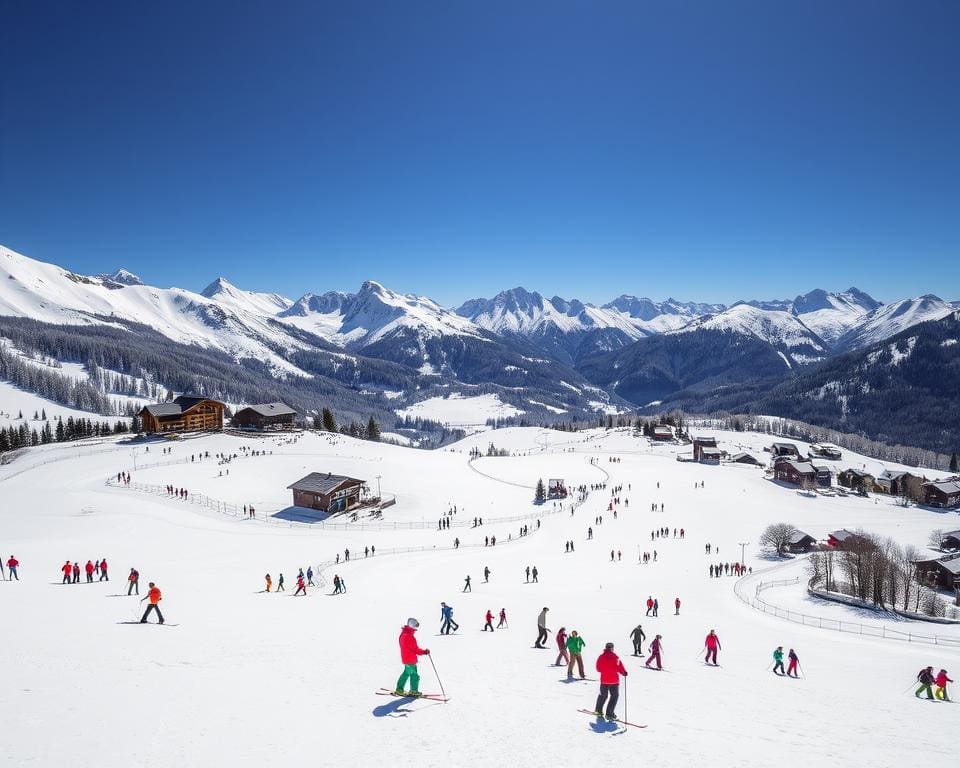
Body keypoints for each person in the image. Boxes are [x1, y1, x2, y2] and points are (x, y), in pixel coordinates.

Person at [393, 618, 430, 697]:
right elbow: (415, 649)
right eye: (415, 627)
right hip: (410, 660)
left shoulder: (403, 634)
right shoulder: (409, 637)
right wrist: (424, 652)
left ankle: (399, 689)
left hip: (406, 658)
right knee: (414, 675)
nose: (416, 629)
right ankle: (413, 691)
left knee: (406, 674)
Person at [594, 642, 628, 720]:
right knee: (614, 696)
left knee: (603, 695)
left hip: (604, 680)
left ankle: (598, 710)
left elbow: (598, 669)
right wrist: (624, 672)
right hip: (614, 681)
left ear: (606, 648)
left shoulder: (601, 657)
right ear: (612, 648)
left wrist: (605, 670)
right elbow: (620, 667)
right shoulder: (616, 657)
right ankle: (609, 714)